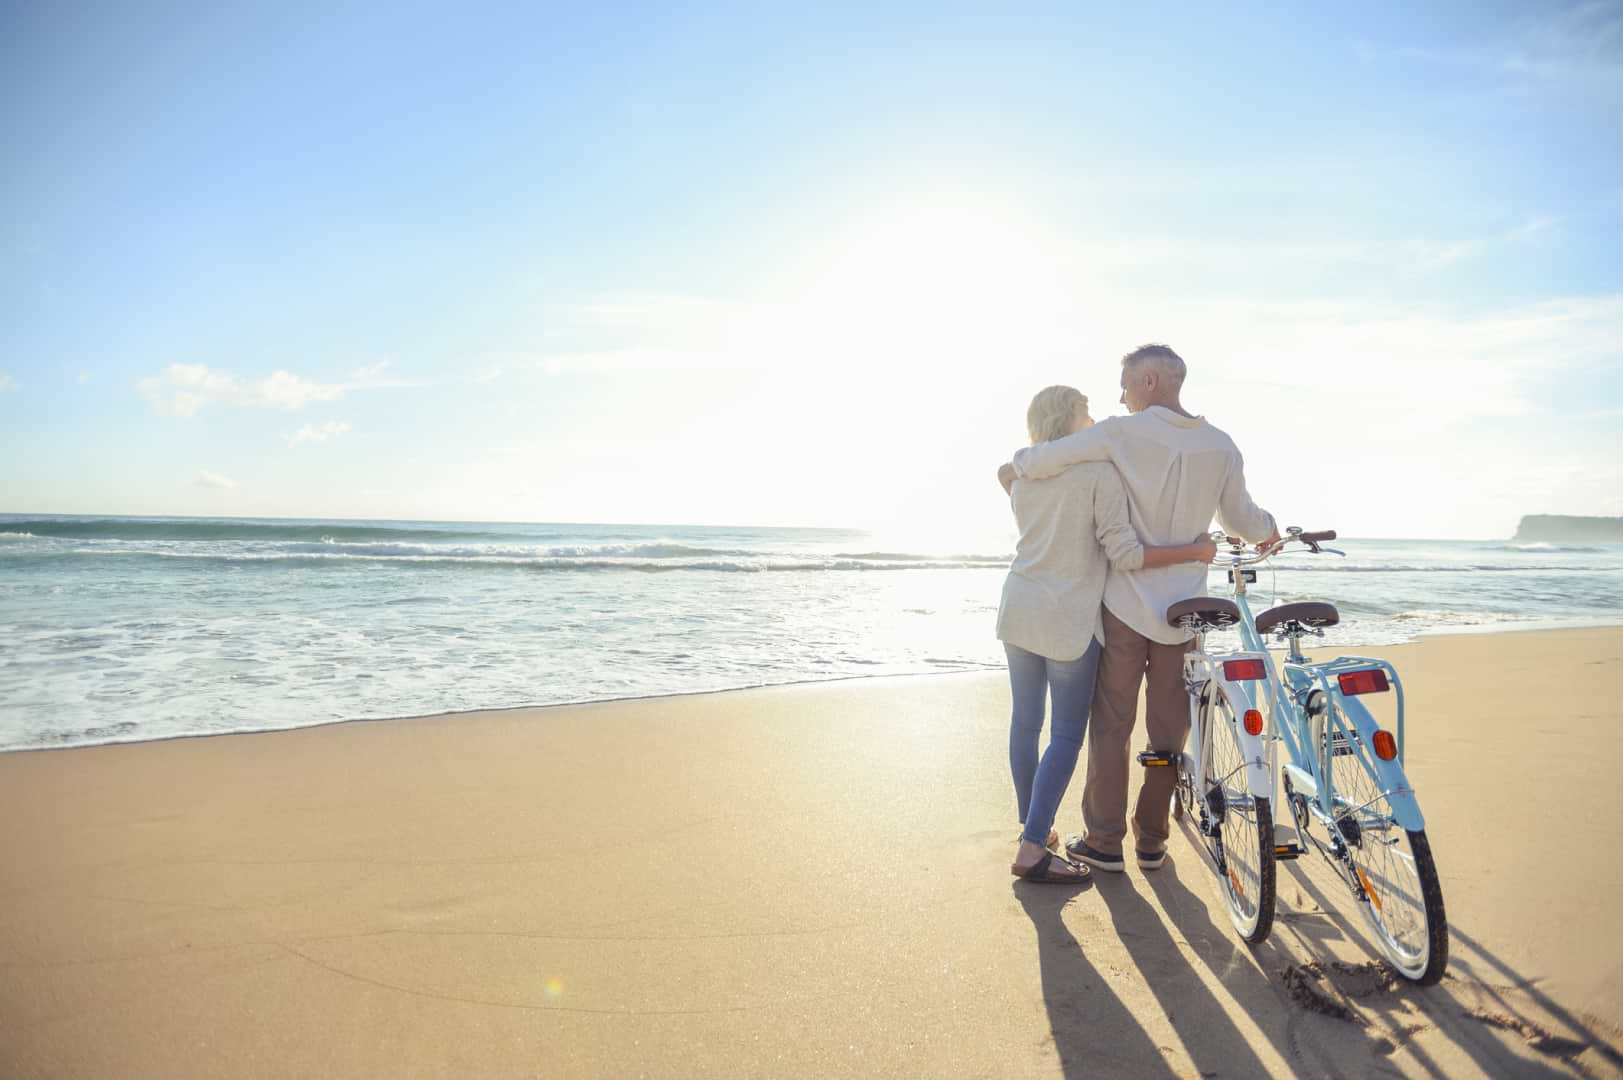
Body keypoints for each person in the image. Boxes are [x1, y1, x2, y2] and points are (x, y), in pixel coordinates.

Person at [998, 345, 1278, 874]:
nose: (1121, 397)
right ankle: (1152, 840)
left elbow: (1036, 460)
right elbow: (1241, 519)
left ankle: (1104, 841)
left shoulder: (1118, 434)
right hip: (1183, 609)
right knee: (1168, 727)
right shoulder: (1221, 445)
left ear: (1149, 381)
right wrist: (1268, 530)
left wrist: (1015, 469)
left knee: (1111, 725)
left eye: (1125, 384)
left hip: (1123, 604)